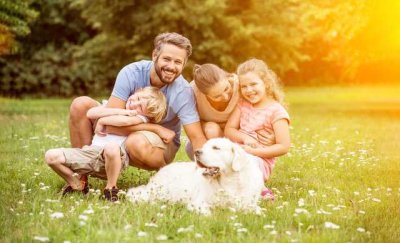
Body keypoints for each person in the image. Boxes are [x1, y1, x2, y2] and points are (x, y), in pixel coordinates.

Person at [68, 32, 206, 175]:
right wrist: (156, 128)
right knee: (80, 105)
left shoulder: (183, 91)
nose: (171, 66)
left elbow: (196, 137)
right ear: (154, 56)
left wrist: (207, 168)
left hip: (159, 144)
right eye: (166, 59)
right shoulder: (132, 72)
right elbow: (110, 125)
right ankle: (81, 177)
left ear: (184, 64)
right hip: (125, 130)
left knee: (135, 142)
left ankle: (166, 176)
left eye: (178, 62)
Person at [45, 87, 167, 202]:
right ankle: (77, 184)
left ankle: (111, 188)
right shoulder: (118, 107)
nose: (135, 104)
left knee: (111, 146)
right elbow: (90, 113)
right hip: (92, 153)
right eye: (138, 98)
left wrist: (103, 120)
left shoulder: (140, 117)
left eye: (140, 107)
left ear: (146, 114)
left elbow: (124, 121)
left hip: (114, 157)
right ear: (136, 92)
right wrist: (120, 111)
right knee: (51, 156)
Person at [224, 58, 291, 200]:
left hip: (259, 160)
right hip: (238, 153)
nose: (249, 90)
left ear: (266, 83)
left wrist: (255, 151)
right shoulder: (242, 105)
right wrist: (245, 138)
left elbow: (284, 146)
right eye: (244, 86)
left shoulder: (276, 112)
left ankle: (260, 189)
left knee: (248, 162)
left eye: (253, 84)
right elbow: (229, 130)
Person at [185, 63, 240, 159]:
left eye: (226, 88)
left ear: (226, 78)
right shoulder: (192, 92)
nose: (225, 97)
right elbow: (191, 125)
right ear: (203, 93)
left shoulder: (241, 85)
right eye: (217, 96)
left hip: (236, 138)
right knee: (212, 129)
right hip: (205, 140)